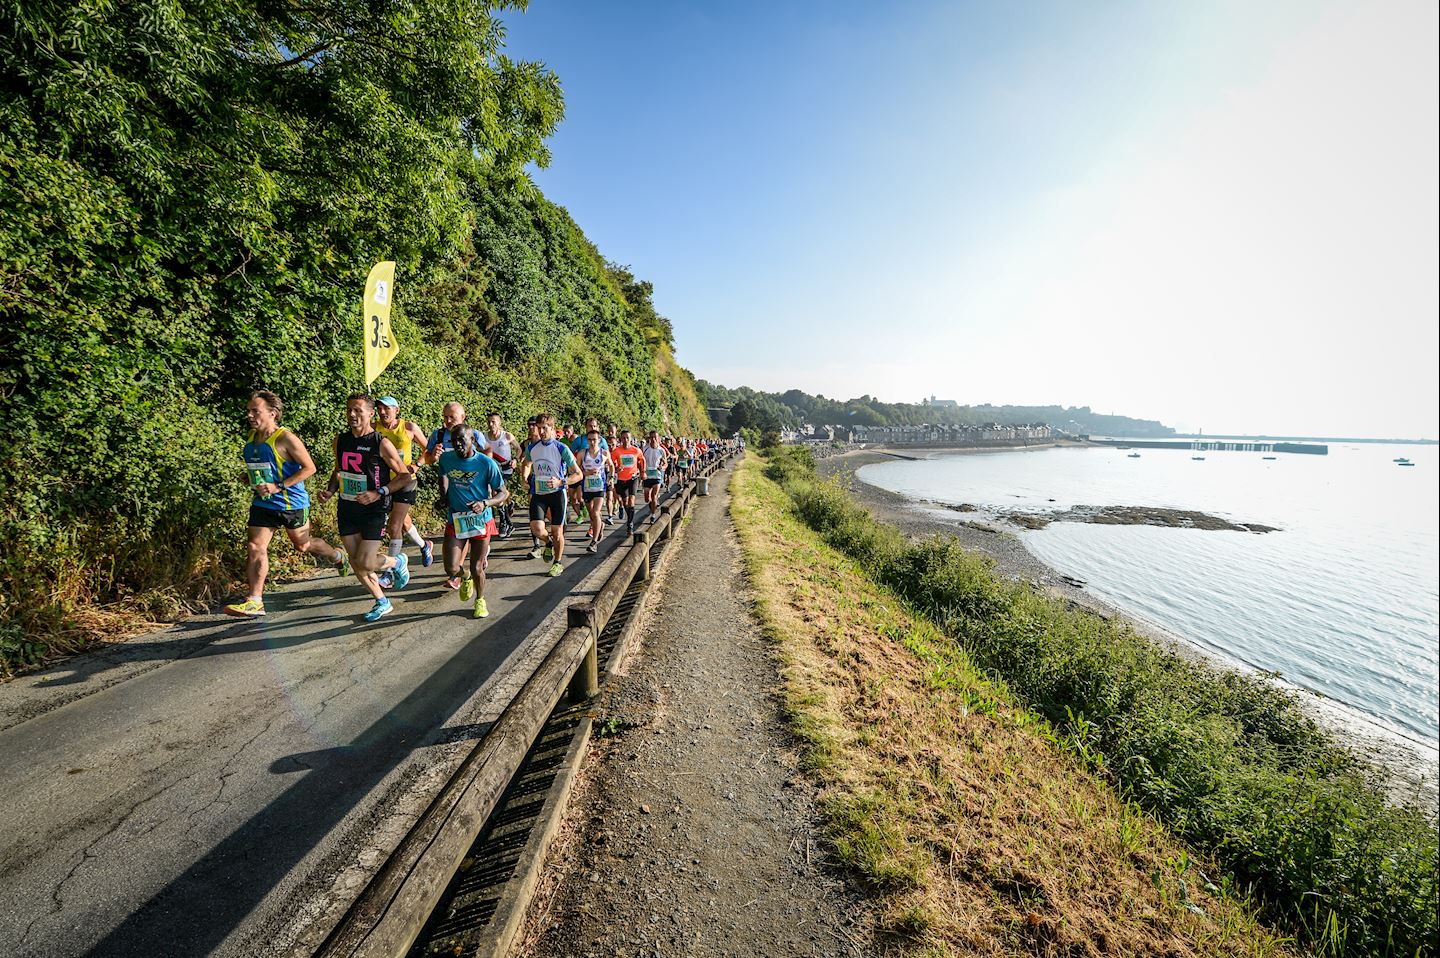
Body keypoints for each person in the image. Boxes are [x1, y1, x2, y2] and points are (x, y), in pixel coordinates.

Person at [225, 391, 348, 618]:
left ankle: (337, 556)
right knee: (255, 546)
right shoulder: (252, 439)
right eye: (248, 411)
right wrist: (249, 477)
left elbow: (310, 468)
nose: (250, 415)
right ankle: (255, 601)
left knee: (303, 545)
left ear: (272, 414)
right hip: (264, 504)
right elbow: (265, 469)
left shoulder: (285, 439)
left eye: (255, 411)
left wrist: (278, 486)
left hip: (292, 503)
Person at [316, 394, 416, 622]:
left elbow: (404, 477)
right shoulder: (340, 440)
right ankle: (382, 601)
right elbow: (338, 470)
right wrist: (330, 491)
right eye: (349, 410)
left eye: (358, 410)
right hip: (347, 508)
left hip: (374, 509)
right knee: (355, 561)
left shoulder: (381, 443)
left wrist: (378, 493)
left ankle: (397, 561)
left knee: (367, 562)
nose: (352, 414)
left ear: (371, 414)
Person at [438, 423, 509, 618]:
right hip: (456, 518)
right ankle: (465, 577)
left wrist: (485, 503)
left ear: (473, 441)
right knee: (451, 567)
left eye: (461, 440)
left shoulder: (486, 463)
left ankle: (480, 600)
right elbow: (443, 475)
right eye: (454, 441)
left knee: (477, 566)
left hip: (481, 520)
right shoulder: (446, 458)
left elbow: (503, 493)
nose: (458, 444)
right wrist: (443, 496)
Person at [374, 396, 433, 586]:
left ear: (396, 410)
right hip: (384, 483)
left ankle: (390, 572)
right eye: (380, 409)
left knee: (394, 526)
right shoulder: (374, 428)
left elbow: (429, 450)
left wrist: (417, 464)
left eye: (387, 409)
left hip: (406, 481)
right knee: (405, 523)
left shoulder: (409, 428)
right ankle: (425, 545)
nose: (383, 412)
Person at [524, 414, 581, 577]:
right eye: (539, 428)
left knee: (557, 531)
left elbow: (578, 474)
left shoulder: (561, 448)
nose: (541, 431)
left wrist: (561, 482)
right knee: (536, 528)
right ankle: (548, 543)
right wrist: (524, 478)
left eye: (545, 428)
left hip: (557, 494)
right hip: (539, 493)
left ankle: (557, 563)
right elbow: (526, 463)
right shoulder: (532, 448)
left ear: (552, 429)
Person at [483, 411, 519, 539]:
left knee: (497, 493)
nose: (491, 424)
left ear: (499, 423)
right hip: (492, 469)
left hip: (505, 468)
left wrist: (515, 460)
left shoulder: (507, 436)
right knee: (495, 494)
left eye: (493, 421)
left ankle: (504, 522)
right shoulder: (484, 436)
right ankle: (507, 521)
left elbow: (519, 449)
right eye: (489, 422)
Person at [577, 427, 610, 554]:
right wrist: (587, 472)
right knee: (592, 514)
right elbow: (576, 470)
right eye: (590, 440)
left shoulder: (605, 453)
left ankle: (594, 542)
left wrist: (611, 477)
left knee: (596, 512)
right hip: (587, 487)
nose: (592, 442)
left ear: (599, 440)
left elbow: (611, 466)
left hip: (600, 487)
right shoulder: (582, 453)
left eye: (594, 440)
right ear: (587, 440)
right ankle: (600, 526)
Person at [610, 429, 643, 533]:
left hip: (633, 478)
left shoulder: (636, 450)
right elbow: (611, 464)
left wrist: (643, 471)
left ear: (630, 439)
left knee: (631, 500)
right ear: (621, 439)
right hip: (621, 479)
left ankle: (630, 523)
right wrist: (616, 469)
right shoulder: (616, 451)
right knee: (624, 502)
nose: (625, 440)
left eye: (627, 438)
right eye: (623, 438)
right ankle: (630, 517)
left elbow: (642, 460)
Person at [641, 430, 668, 523]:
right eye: (651, 437)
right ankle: (653, 504)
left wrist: (662, 467)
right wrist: (641, 471)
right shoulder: (644, 448)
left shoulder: (661, 450)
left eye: (655, 437)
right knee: (647, 499)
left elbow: (665, 463)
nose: (653, 439)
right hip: (647, 476)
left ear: (658, 439)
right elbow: (640, 461)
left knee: (654, 496)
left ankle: (653, 515)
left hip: (657, 475)